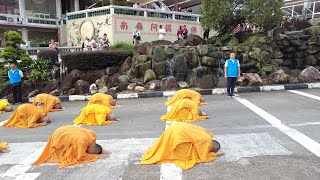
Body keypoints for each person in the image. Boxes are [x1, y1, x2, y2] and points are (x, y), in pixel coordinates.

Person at [141, 122, 224, 170]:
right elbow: (202, 156)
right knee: (188, 155)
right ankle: (171, 153)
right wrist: (214, 155)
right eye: (211, 150)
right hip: (177, 134)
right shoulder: (206, 142)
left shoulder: (207, 135)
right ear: (212, 147)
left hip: (174, 127)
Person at [33, 125, 111, 168]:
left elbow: (94, 146)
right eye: (90, 152)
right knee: (71, 155)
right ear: (90, 151)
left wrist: (101, 150)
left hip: (65, 128)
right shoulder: (82, 143)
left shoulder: (93, 134)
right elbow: (81, 157)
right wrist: (96, 156)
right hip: (58, 135)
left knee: (75, 146)